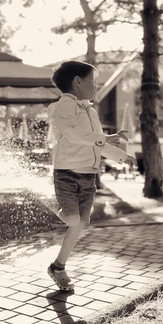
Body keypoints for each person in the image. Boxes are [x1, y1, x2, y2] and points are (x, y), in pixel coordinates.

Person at [46, 60, 135, 292]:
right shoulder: (65, 107)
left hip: (88, 178)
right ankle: (61, 209)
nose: (95, 87)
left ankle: (58, 267)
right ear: (77, 81)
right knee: (73, 221)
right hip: (67, 173)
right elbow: (74, 135)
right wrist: (105, 138)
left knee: (78, 225)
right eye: (92, 82)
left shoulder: (91, 111)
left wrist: (122, 157)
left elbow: (98, 143)